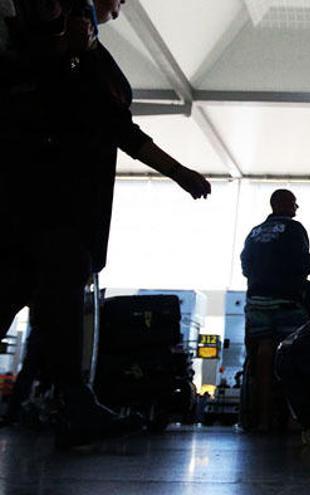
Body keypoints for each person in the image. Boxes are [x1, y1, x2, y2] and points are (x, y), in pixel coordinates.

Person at [0, 0, 211, 447]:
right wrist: (181, 174)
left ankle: (72, 402)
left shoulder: (41, 67)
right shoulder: (76, 69)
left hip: (32, 209)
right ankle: (74, 404)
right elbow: (123, 131)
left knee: (30, 299)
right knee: (53, 301)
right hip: (63, 212)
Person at [239, 189, 310, 432]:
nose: (297, 207)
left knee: (263, 353)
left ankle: (262, 420)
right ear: (281, 203)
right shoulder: (294, 229)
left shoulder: (254, 232)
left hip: (258, 300)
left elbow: (245, 266)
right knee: (293, 356)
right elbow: (304, 264)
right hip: (287, 300)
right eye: (294, 202)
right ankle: (294, 420)